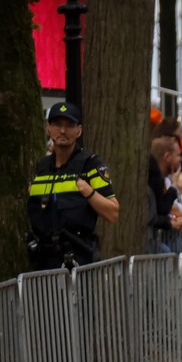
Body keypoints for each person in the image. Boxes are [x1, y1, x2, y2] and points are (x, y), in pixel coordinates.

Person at [26, 103, 120, 270]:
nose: (63, 131)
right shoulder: (42, 167)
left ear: (79, 131)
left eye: (69, 125)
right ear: (49, 128)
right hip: (43, 260)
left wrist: (88, 191)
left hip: (77, 259)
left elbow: (113, 212)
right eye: (57, 124)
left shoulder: (90, 165)